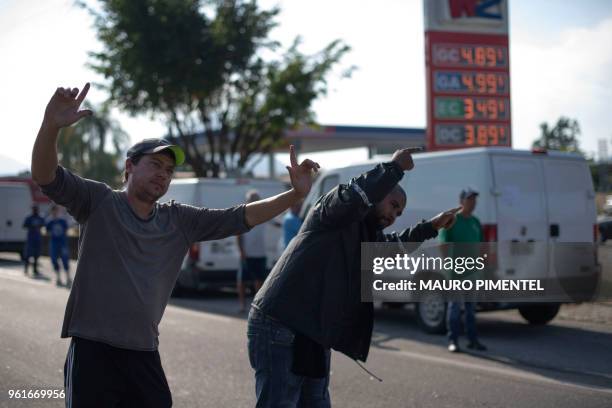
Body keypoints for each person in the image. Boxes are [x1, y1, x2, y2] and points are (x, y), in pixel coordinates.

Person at [31, 83, 319, 407]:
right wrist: (50, 126)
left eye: (169, 170)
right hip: (93, 350)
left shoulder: (179, 220)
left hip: (143, 353)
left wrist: (295, 195)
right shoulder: (98, 202)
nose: (163, 175)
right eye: (155, 164)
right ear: (129, 167)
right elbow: (45, 175)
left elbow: (241, 217)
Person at [247, 148, 462, 407]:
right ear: (378, 194)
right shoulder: (333, 208)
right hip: (279, 322)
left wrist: (431, 227)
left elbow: (393, 246)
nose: (394, 216)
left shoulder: (365, 234)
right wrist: (393, 169)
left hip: (312, 331)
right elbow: (354, 195)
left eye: (399, 214)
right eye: (393, 205)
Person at [439, 187, 487, 353]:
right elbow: (443, 244)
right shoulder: (453, 220)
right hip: (456, 274)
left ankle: (473, 340)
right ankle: (453, 341)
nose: (473, 203)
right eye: (469, 199)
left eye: (474, 200)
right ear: (461, 202)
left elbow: (481, 246)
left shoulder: (475, 222)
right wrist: (449, 266)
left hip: (472, 274)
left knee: (470, 310)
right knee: (454, 309)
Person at [236, 190, 268, 313]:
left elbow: (277, 223)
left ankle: (257, 306)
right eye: (252, 199)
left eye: (256, 199)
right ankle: (242, 305)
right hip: (247, 254)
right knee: (242, 281)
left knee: (259, 280)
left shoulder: (265, 214)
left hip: (260, 253)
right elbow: (238, 234)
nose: (255, 201)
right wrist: (241, 251)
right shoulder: (244, 215)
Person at [46, 205, 72, 287]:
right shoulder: (50, 221)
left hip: (62, 243)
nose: (55, 212)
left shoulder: (62, 221)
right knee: (54, 260)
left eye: (56, 211)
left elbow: (66, 230)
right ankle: (58, 278)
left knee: (65, 260)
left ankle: (68, 278)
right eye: (53, 211)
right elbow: (47, 231)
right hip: (54, 243)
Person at [23, 205, 45, 277]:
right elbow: (24, 226)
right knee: (28, 254)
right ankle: (26, 268)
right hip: (30, 239)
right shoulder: (29, 218)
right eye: (34, 209)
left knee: (36, 255)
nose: (35, 210)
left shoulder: (40, 218)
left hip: (37, 239)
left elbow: (43, 225)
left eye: (36, 209)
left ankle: (35, 269)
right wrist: (32, 226)